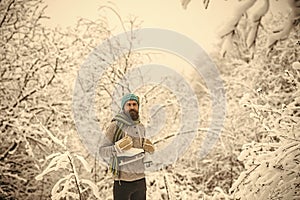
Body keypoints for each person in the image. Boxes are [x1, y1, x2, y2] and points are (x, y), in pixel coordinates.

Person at [99, 93, 155, 200]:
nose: (132, 107)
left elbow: (143, 154)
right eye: (128, 105)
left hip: (140, 181)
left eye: (134, 104)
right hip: (122, 182)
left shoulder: (141, 127)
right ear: (123, 107)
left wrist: (148, 150)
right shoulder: (115, 126)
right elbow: (102, 151)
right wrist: (117, 148)